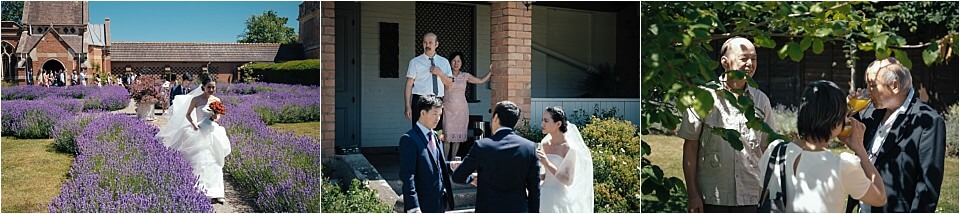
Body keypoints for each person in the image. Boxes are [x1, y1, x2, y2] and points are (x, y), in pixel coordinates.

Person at [678, 37, 774, 212]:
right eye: (744, 58)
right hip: (713, 196)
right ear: (725, 62)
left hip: (751, 195)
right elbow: (690, 146)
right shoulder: (703, 97)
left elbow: (766, 148)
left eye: (754, 58)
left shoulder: (761, 100)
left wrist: (767, 191)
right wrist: (692, 194)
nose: (750, 64)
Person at [760, 80, 887, 212]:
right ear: (835, 122)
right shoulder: (843, 166)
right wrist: (860, 149)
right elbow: (879, 197)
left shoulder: (776, 150)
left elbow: (762, 195)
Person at [845, 58, 946, 212]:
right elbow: (838, 131)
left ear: (894, 86)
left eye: (872, 85)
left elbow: (927, 187)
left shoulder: (927, 121)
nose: (867, 91)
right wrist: (848, 108)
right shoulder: (869, 112)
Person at [452, 101, 540, 212]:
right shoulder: (529, 147)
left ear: (496, 117)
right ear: (515, 123)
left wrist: (472, 179)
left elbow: (458, 176)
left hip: (488, 208)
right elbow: (534, 189)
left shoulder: (482, 146)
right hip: (517, 208)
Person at [156, 75, 231, 204]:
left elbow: (218, 116)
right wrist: (193, 123)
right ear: (203, 87)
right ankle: (200, 189)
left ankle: (217, 191)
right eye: (209, 87)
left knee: (215, 162)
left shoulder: (216, 100)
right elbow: (188, 114)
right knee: (200, 161)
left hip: (213, 131)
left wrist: (215, 117)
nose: (211, 89)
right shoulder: (196, 99)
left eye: (213, 87)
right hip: (199, 130)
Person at [399, 95, 455, 213]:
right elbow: (408, 176)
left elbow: (435, 164)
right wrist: (413, 207)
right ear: (423, 113)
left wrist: (450, 165)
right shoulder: (409, 139)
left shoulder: (434, 136)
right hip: (422, 205)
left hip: (439, 202)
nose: (438, 118)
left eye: (440, 114)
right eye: (434, 114)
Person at [432, 52, 492, 160]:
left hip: (461, 110)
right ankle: (445, 162)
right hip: (448, 109)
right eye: (454, 61)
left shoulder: (465, 76)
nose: (456, 63)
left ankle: (453, 163)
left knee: (457, 139)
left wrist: (491, 72)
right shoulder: (445, 75)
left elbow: (481, 80)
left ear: (462, 63)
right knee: (447, 137)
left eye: (458, 61)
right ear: (450, 62)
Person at [536, 106, 593, 212]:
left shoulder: (569, 148)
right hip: (543, 195)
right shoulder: (544, 144)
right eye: (542, 120)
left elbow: (568, 180)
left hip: (559, 198)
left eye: (546, 120)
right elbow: (546, 175)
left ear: (558, 124)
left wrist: (547, 163)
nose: (542, 124)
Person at [405, 32, 453, 129]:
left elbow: (449, 83)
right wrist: (407, 105)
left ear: (436, 44)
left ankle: (436, 145)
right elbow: (409, 85)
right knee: (419, 131)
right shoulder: (415, 62)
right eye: (425, 43)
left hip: (437, 100)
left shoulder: (444, 62)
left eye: (430, 42)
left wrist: (440, 73)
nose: (427, 45)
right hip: (420, 100)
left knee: (438, 131)